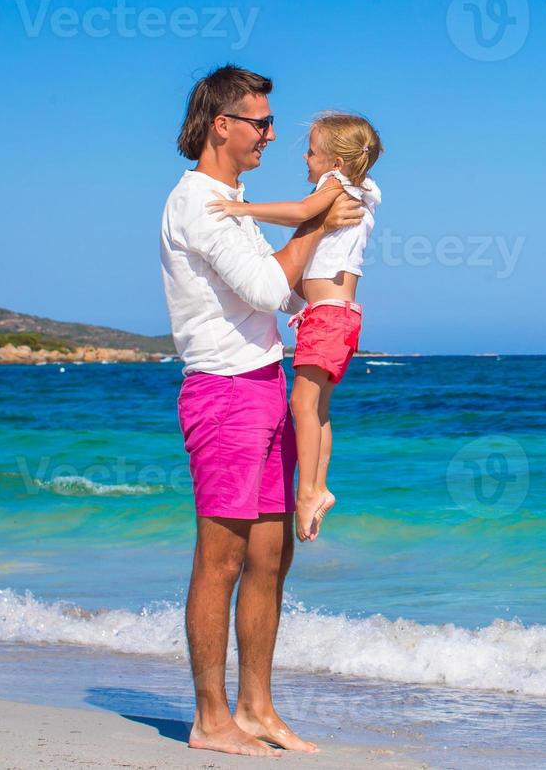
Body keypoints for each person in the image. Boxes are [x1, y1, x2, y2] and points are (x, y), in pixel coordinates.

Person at [159, 65, 363, 758]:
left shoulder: (233, 200)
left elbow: (293, 289)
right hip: (222, 394)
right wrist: (319, 218)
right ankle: (209, 718)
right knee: (220, 562)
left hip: (265, 386)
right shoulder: (199, 204)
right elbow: (267, 287)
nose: (272, 135)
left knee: (271, 560)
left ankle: (255, 707)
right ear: (223, 124)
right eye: (262, 123)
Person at [208, 112, 383, 542]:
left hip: (326, 317)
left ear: (336, 162)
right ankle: (318, 486)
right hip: (339, 317)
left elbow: (300, 211)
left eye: (311, 151)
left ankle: (307, 492)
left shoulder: (335, 186)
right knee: (318, 408)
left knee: (302, 406)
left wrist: (241, 208)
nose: (304, 157)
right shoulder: (363, 189)